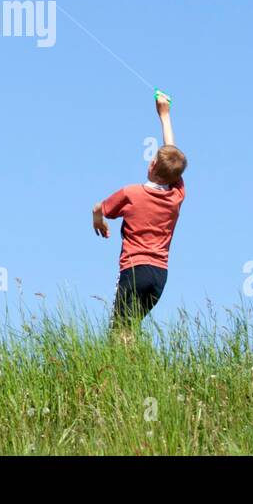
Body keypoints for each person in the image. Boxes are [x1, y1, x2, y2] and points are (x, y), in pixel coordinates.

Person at [92, 91, 187, 334]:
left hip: (133, 270)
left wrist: (98, 221)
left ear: (152, 165)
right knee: (130, 328)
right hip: (159, 276)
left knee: (119, 331)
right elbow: (171, 152)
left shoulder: (131, 194)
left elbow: (97, 207)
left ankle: (121, 370)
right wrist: (165, 116)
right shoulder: (176, 196)